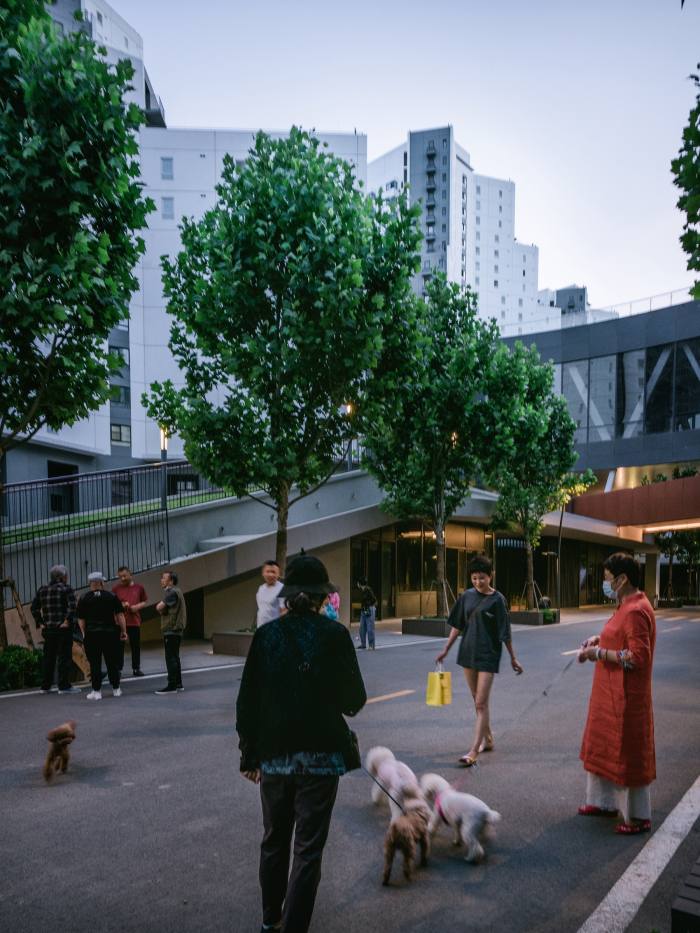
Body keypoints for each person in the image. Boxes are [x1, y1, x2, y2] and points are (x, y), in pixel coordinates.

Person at [236, 553, 367, 933]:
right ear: (323, 597)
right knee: (307, 850)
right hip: (322, 759)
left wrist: (249, 755)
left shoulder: (266, 636)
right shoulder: (335, 635)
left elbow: (248, 702)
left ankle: (269, 919)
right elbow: (354, 700)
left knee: (274, 841)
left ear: (287, 594)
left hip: (274, 758)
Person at [577, 552, 656, 835]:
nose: (605, 583)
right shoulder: (627, 604)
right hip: (609, 694)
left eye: (609, 579)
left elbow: (637, 657)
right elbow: (618, 634)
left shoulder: (635, 610)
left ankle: (636, 817)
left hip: (626, 697)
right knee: (604, 746)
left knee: (627, 752)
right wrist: (598, 639)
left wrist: (597, 653)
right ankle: (603, 802)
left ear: (623, 579)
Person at [435, 554, 523, 767]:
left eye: (481, 578)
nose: (477, 582)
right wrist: (446, 649)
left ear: (491, 576)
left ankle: (474, 750)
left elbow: (505, 632)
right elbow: (457, 625)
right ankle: (489, 738)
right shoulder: (466, 597)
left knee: (481, 702)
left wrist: (513, 658)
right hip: (468, 653)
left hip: (488, 655)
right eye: (474, 578)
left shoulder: (498, 600)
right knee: (477, 699)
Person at [31, 564, 81, 695]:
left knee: (49, 657)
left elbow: (34, 608)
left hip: (48, 629)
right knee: (64, 657)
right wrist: (66, 621)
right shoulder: (66, 589)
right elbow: (72, 607)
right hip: (63, 629)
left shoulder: (42, 589)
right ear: (63, 577)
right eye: (66, 576)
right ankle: (64, 686)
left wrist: (41, 623)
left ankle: (45, 686)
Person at [77, 572, 127, 700]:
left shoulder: (83, 598)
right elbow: (120, 615)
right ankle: (116, 689)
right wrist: (123, 631)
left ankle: (96, 691)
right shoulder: (111, 596)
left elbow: (81, 619)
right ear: (101, 583)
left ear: (90, 584)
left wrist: (84, 633)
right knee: (112, 662)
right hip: (110, 633)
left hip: (92, 634)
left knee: (94, 663)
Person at [154, 570, 187, 695]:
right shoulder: (176, 592)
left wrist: (161, 609)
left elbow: (159, 607)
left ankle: (172, 685)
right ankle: (178, 684)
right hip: (176, 629)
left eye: (164, 578)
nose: (161, 580)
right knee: (175, 657)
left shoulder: (172, 592)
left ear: (171, 581)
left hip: (171, 629)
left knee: (170, 658)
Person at [112, 565, 148, 676]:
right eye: (120, 577)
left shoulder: (139, 588)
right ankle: (118, 669)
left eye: (124, 576)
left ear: (130, 574)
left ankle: (136, 668)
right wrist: (122, 605)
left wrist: (137, 607)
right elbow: (112, 604)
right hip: (119, 622)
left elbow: (145, 601)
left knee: (135, 646)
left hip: (134, 621)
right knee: (119, 647)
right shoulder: (115, 589)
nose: (122, 579)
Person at [256, 560, 286, 627]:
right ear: (263, 573)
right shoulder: (261, 588)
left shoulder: (282, 589)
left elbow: (284, 611)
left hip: (274, 629)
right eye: (268, 571)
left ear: (278, 574)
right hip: (260, 628)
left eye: (273, 572)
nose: (270, 574)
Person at [357, 577, 377, 650]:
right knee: (362, 628)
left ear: (359, 584)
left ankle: (371, 645)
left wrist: (368, 605)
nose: (357, 584)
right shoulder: (362, 590)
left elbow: (374, 600)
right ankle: (363, 644)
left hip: (369, 609)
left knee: (370, 628)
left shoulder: (368, 590)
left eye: (358, 583)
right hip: (364, 610)